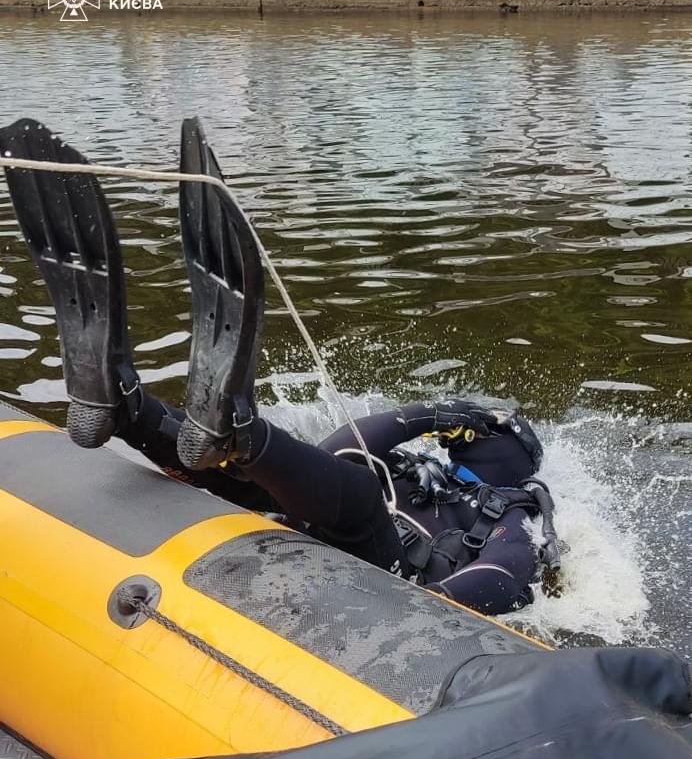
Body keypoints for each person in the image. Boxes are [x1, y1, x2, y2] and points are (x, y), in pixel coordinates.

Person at [0, 117, 558, 616]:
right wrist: (435, 416)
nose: (466, 436)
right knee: (251, 473)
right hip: (320, 527)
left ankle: (230, 430)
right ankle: (125, 408)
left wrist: (422, 610)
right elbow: (345, 447)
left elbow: (504, 579)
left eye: (485, 430)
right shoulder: (420, 472)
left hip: (387, 576)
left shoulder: (518, 511)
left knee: (350, 489)